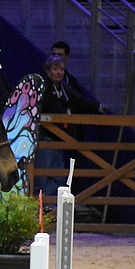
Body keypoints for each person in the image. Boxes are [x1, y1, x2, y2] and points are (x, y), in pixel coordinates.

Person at [34, 54, 105, 195]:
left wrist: (97, 107)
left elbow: (79, 99)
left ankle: (41, 206)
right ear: (48, 71)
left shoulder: (63, 88)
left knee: (59, 177)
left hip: (58, 141)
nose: (59, 72)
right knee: (40, 179)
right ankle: (36, 209)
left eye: (61, 69)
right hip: (44, 139)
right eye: (55, 69)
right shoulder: (43, 87)